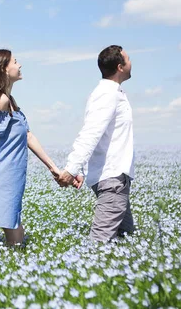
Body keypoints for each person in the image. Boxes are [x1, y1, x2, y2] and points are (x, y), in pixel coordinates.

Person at [0, 49, 79, 253]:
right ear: (4, 69)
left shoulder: (10, 102)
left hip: (9, 180)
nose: (19, 65)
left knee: (15, 237)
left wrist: (53, 168)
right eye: (15, 61)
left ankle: (10, 276)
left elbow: (28, 136)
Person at [58, 45, 135, 242]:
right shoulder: (107, 94)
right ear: (120, 66)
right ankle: (83, 272)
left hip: (116, 177)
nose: (131, 62)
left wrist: (81, 171)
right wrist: (73, 168)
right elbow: (91, 133)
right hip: (112, 179)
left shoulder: (113, 92)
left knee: (126, 238)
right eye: (128, 59)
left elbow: (99, 136)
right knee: (99, 243)